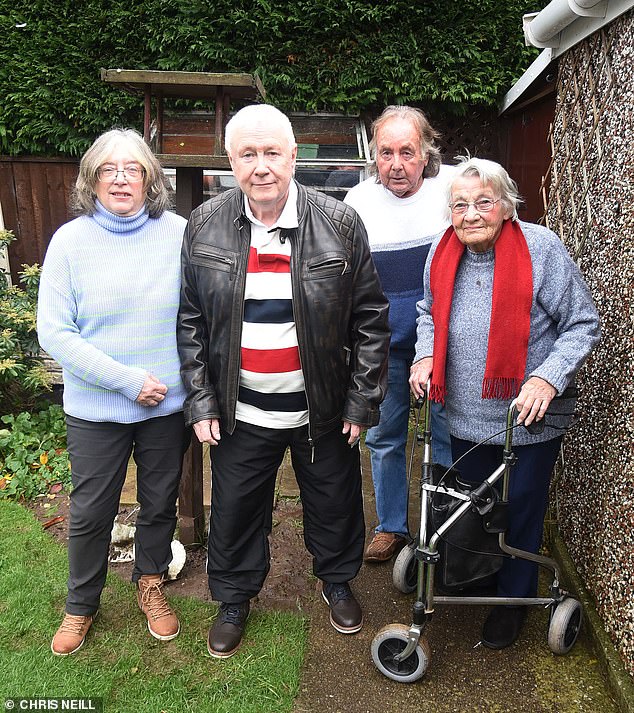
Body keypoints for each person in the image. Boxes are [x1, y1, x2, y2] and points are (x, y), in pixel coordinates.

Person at [177, 104, 390, 659]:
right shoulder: (204, 224)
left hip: (320, 408)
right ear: (230, 161)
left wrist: (361, 400)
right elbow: (192, 319)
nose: (261, 166)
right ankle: (233, 597)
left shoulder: (339, 223)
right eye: (247, 154)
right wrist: (201, 401)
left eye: (272, 152)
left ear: (293, 156)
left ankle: (337, 581)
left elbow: (369, 317)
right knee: (235, 510)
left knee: (334, 502)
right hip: (239, 409)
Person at [409, 156, 600, 649]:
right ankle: (479, 578)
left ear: (507, 205)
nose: (470, 214)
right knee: (474, 506)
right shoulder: (442, 249)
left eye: (483, 202)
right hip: (464, 415)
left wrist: (547, 378)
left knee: (521, 512)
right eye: (459, 205)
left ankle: (513, 602)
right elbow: (428, 311)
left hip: (527, 419)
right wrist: (424, 357)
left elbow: (582, 322)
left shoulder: (541, 249)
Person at [37, 128, 189, 656]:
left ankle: (150, 583)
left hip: (167, 405)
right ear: (91, 180)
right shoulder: (70, 241)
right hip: (97, 407)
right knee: (92, 509)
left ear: (151, 179)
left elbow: (198, 315)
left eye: (133, 168)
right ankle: (81, 604)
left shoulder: (178, 233)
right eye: (109, 169)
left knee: (158, 502)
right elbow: (55, 331)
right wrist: (128, 381)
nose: (121, 177)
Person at [344, 105, 454, 563]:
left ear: (426, 152)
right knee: (384, 435)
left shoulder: (453, 190)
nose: (396, 165)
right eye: (385, 153)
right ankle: (392, 527)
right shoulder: (358, 201)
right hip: (383, 341)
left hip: (445, 337)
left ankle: (449, 525)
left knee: (448, 429)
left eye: (406, 152)